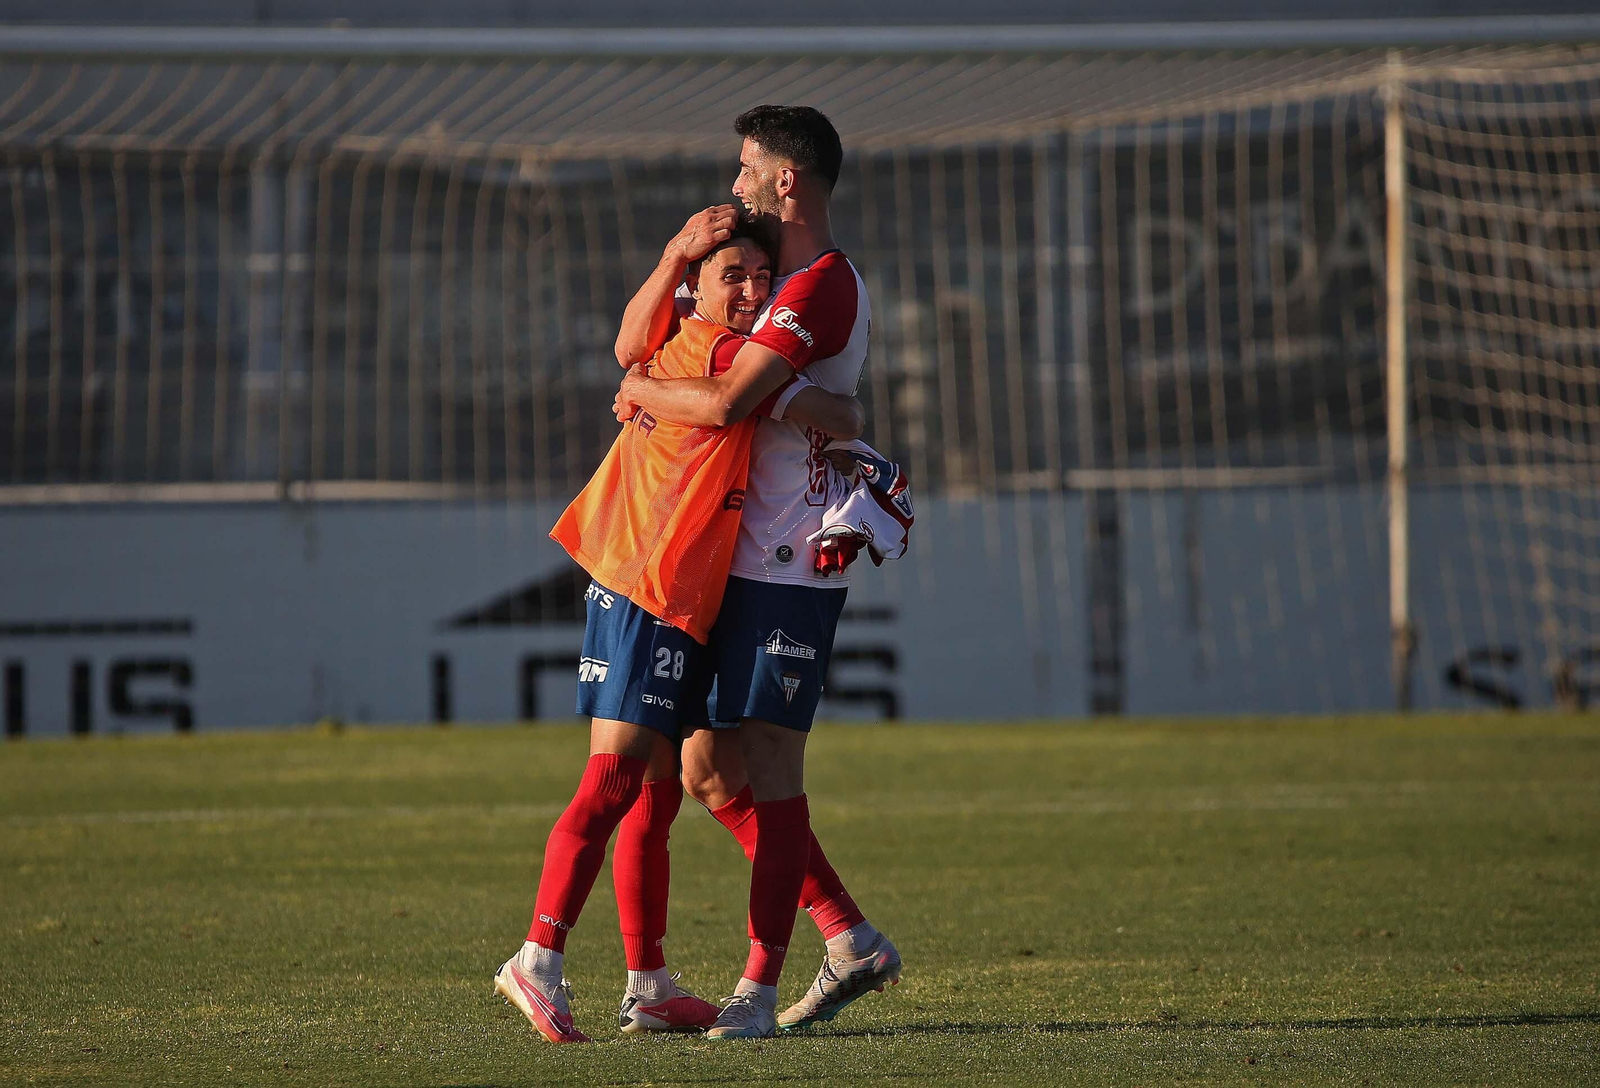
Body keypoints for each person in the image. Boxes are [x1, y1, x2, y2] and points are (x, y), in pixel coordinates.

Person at [494, 218, 865, 1044]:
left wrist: (642, 368)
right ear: (697, 287)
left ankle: (649, 983)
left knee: (662, 792)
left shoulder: (666, 339)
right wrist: (850, 437)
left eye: (763, 275)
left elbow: (630, 349)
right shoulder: (729, 354)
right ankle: (538, 957)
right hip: (647, 584)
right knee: (617, 780)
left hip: (678, 591)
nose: (754, 291)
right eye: (733, 274)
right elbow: (838, 411)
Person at [614, 104, 901, 1040]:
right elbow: (774, 394)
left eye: (745, 169)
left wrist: (642, 391)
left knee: (771, 766)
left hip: (789, 563)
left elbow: (731, 400)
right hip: (733, 553)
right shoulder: (780, 283)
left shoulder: (821, 285)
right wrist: (818, 406)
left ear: (787, 180)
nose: (732, 184)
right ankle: (847, 934)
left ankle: (758, 993)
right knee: (705, 766)